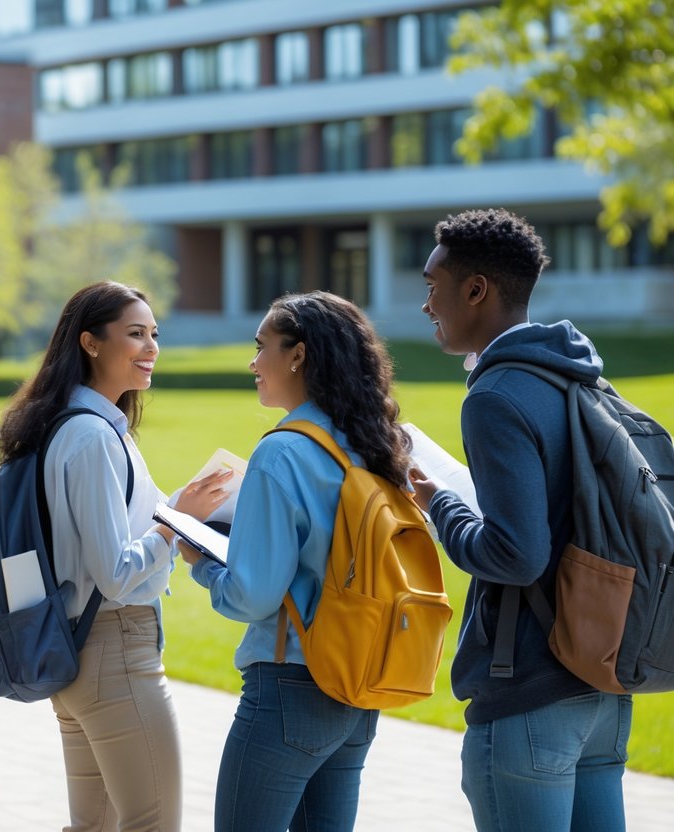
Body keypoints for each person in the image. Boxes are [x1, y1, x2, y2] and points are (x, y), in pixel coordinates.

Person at [409, 208, 631, 832]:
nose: (427, 304)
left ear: (475, 289)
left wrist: (439, 504)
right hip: (601, 682)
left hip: (532, 687)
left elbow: (516, 553)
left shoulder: (495, 395)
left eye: (432, 286)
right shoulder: (578, 379)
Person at [0, 280, 230, 832]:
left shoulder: (71, 427)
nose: (151, 348)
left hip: (79, 656)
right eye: (135, 334)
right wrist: (175, 521)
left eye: (154, 335)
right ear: (91, 343)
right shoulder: (92, 436)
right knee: (153, 824)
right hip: (115, 654)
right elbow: (116, 573)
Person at [182, 291, 411, 832]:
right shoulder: (372, 444)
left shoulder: (282, 451)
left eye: (262, 347)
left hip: (289, 686)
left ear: (298, 355)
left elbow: (253, 595)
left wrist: (202, 561)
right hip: (357, 686)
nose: (253, 362)